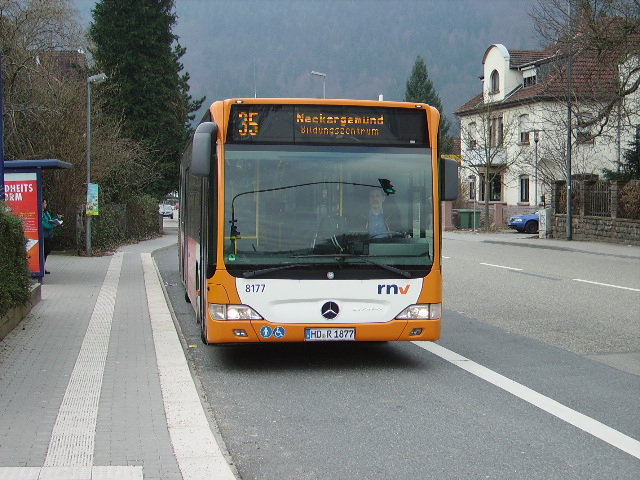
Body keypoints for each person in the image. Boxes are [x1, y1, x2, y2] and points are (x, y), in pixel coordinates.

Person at [42, 199, 63, 274]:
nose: (46, 204)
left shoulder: (45, 212)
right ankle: (42, 268)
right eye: (45, 203)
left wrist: (57, 218)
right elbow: (44, 224)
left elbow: (49, 221)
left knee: (46, 250)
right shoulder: (40, 213)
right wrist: (53, 226)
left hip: (47, 235)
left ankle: (43, 267)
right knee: (46, 250)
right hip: (43, 235)